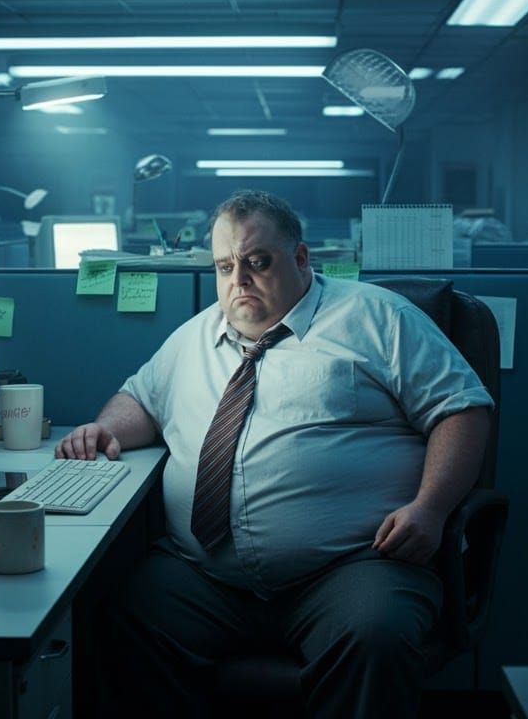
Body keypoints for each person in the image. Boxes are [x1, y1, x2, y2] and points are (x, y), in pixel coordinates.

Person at [58, 189, 493, 719]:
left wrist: (431, 508)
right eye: (224, 266)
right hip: (206, 577)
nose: (238, 280)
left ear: (301, 258)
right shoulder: (195, 337)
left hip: (355, 564)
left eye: (256, 262)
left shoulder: (377, 318)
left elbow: (462, 411)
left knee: (374, 638)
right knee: (117, 617)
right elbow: (140, 401)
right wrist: (104, 430)